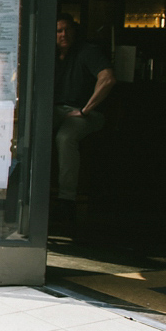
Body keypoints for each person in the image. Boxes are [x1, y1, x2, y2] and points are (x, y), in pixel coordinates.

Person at [53, 14, 114, 214]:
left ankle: (66, 200)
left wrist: (86, 109)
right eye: (59, 30)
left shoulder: (88, 52)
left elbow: (108, 78)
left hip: (86, 114)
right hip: (55, 111)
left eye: (67, 29)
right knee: (31, 132)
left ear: (74, 31)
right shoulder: (49, 54)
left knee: (65, 138)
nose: (63, 34)